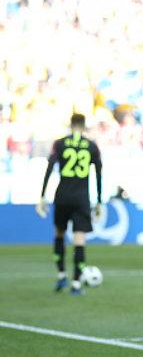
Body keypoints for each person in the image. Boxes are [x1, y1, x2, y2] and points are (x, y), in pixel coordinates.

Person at [36, 113, 103, 295]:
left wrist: (42, 196)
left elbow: (49, 168)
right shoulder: (91, 146)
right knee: (79, 240)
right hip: (81, 198)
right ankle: (76, 284)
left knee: (59, 234)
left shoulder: (60, 143)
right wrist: (99, 200)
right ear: (84, 126)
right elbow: (98, 173)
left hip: (63, 196)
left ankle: (61, 276)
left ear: (71, 124)